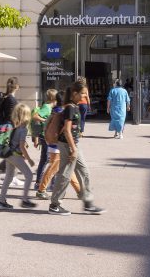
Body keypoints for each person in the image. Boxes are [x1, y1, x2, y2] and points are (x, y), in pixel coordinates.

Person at [49, 81, 104, 216]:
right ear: (75, 93)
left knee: (84, 171)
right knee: (65, 174)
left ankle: (88, 203)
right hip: (68, 145)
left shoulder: (74, 106)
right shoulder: (70, 108)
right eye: (83, 93)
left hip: (73, 144)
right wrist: (73, 149)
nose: (85, 96)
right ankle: (55, 205)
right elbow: (67, 131)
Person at [0, 103, 36, 210]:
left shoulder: (14, 125)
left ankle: (1, 201)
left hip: (8, 154)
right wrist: (29, 159)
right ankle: (24, 199)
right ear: (26, 115)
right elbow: (22, 146)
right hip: (15, 156)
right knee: (29, 175)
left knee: (8, 177)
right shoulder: (23, 128)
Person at [0, 77, 20, 182]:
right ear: (17, 86)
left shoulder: (7, 97)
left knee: (13, 151)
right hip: (9, 128)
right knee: (13, 151)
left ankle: (11, 175)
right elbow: (12, 116)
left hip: (6, 126)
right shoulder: (11, 99)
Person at [31, 89, 58, 188]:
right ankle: (42, 183)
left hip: (45, 135)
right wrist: (46, 120)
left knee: (48, 159)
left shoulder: (49, 106)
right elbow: (35, 116)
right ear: (53, 98)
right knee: (49, 159)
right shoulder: (47, 107)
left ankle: (42, 182)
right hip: (45, 135)